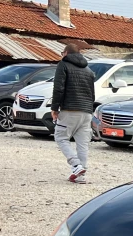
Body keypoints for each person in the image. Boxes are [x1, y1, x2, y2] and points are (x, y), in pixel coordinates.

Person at [51, 44, 95, 184]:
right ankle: (81, 176)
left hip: (70, 109)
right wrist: (89, 108)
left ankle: (76, 165)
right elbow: (92, 93)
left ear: (66, 53)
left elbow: (58, 88)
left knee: (60, 137)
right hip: (86, 111)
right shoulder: (88, 70)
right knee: (82, 143)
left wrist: (54, 108)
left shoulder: (63, 64)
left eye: (62, 53)